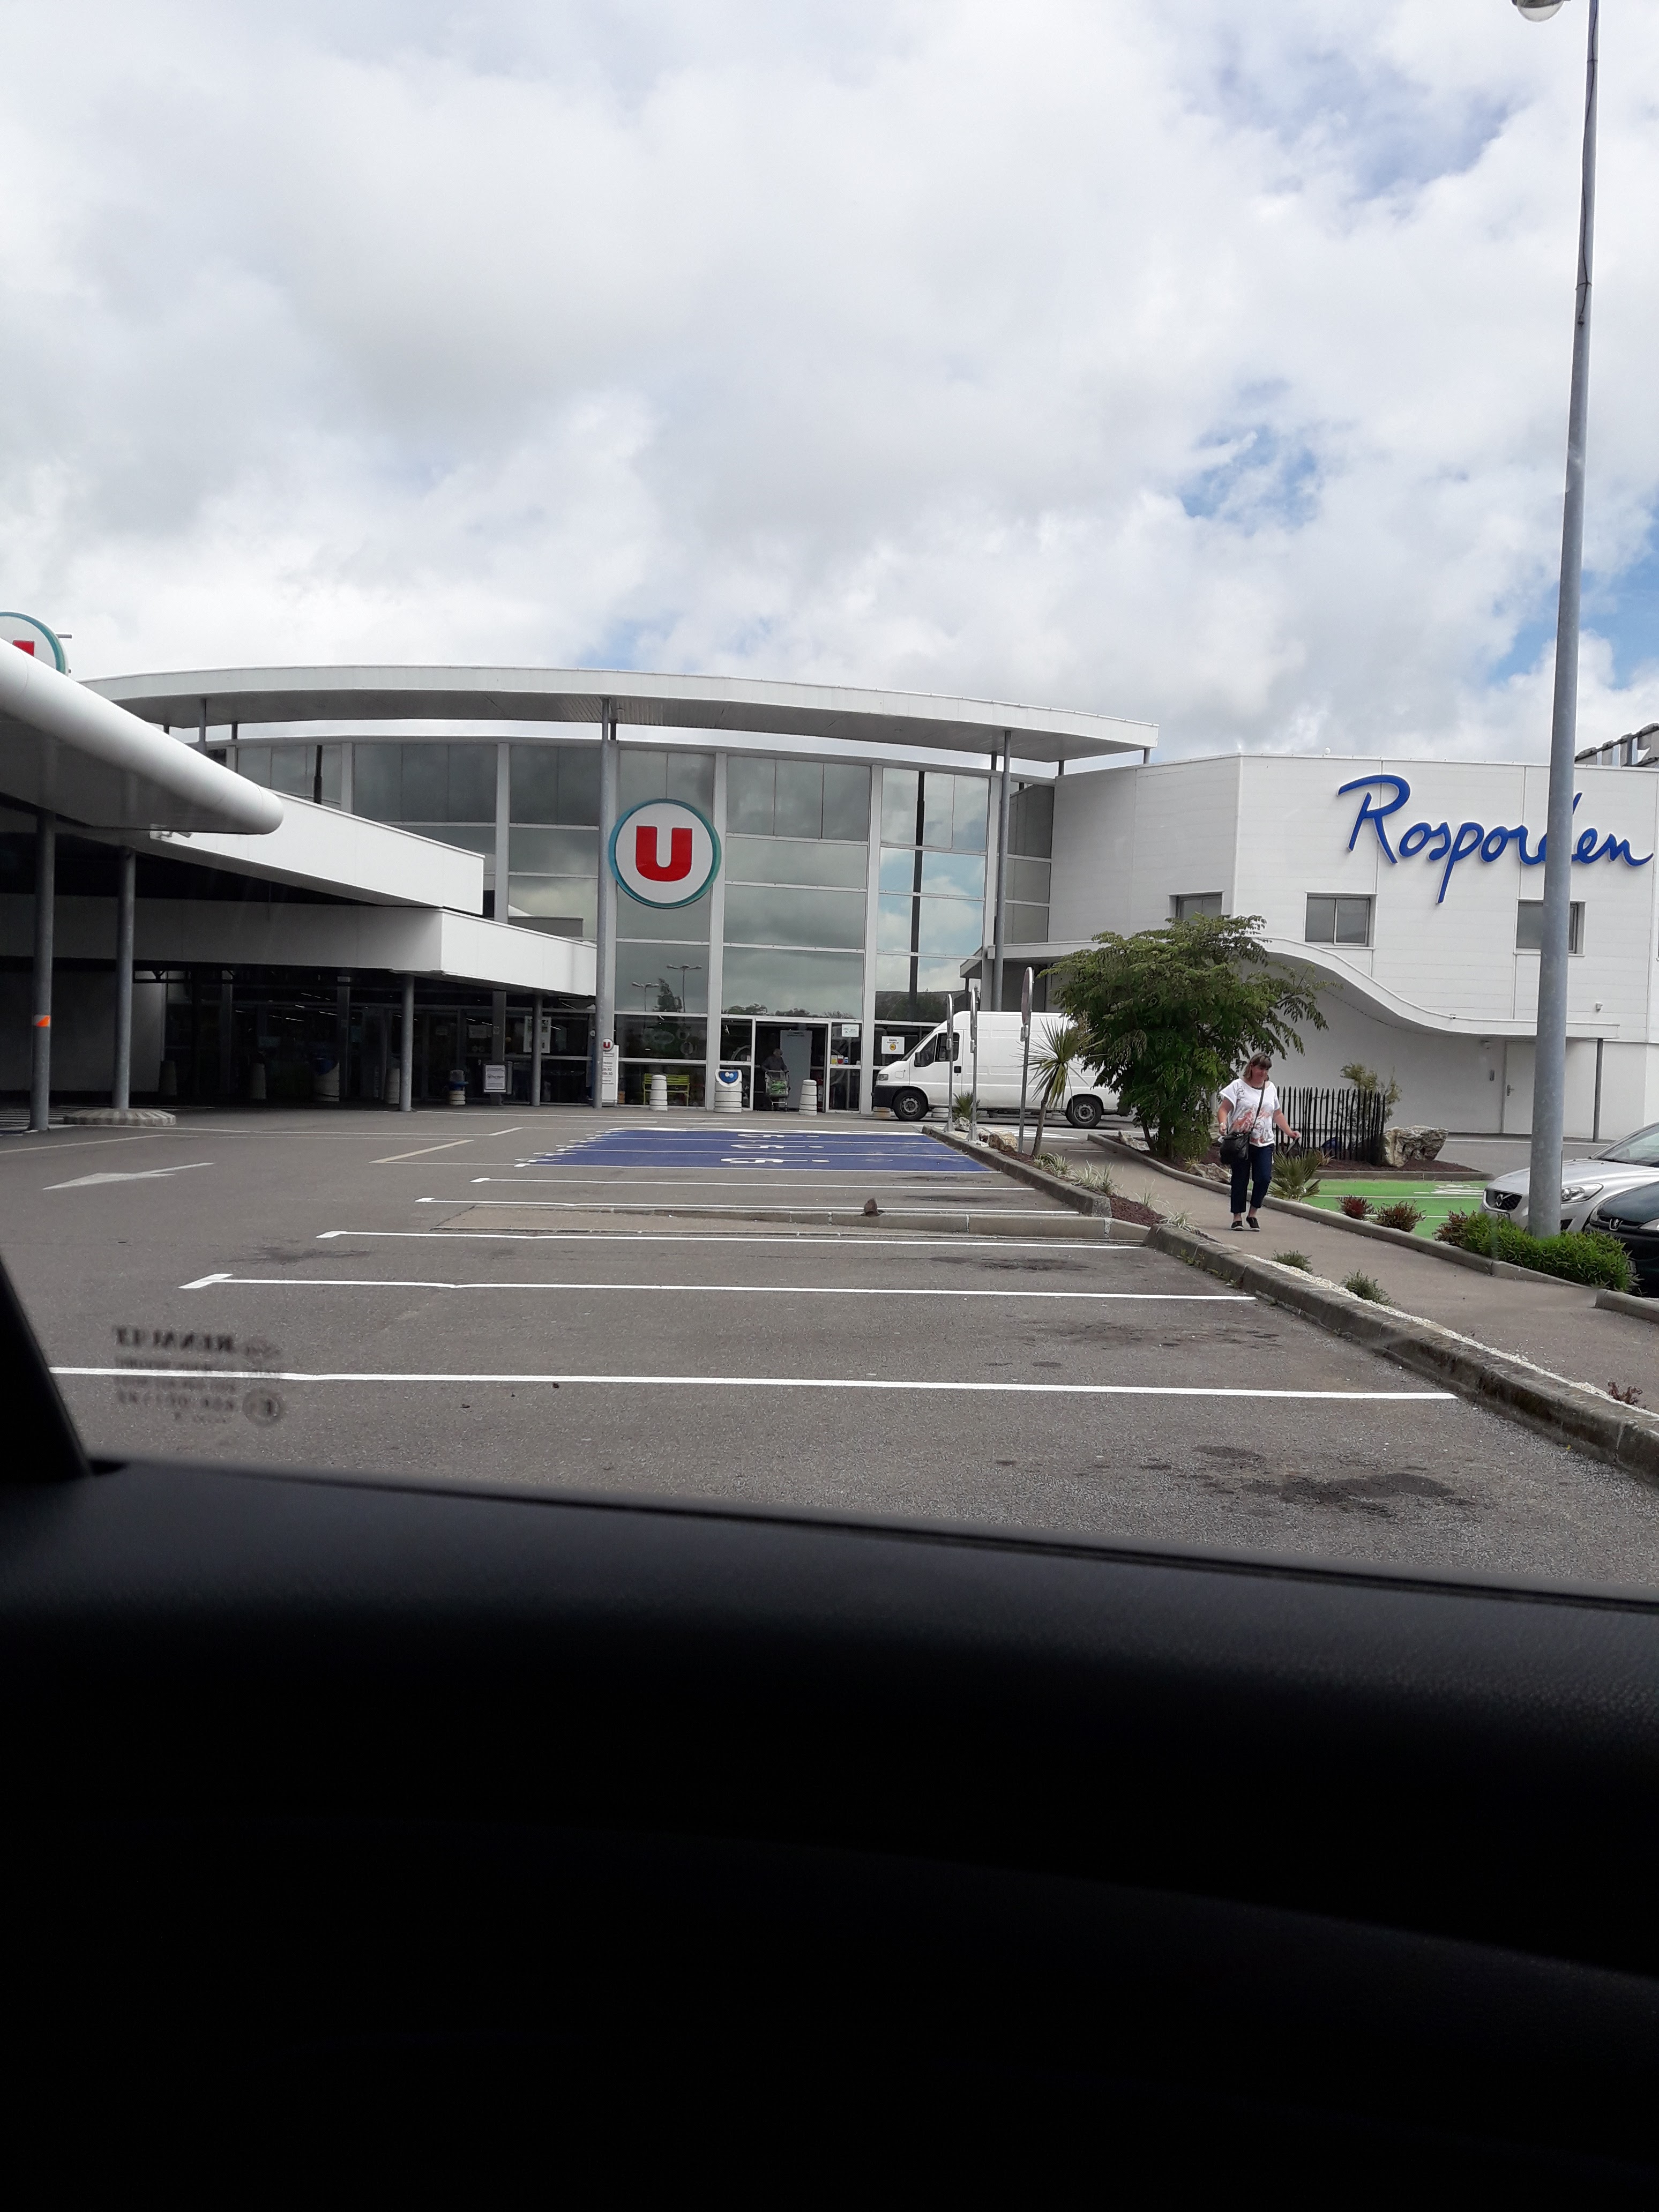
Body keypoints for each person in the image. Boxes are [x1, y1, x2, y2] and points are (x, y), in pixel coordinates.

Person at [1217, 1055, 1299, 1231]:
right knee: (1240, 1178)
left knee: (1264, 1178)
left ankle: (1253, 1213)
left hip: (1264, 1141)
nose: (1263, 1073)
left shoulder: (1271, 1089)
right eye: (1261, 1068)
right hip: (1241, 1140)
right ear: (1252, 1067)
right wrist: (1223, 1124)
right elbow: (1224, 1109)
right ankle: (1237, 1217)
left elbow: (1277, 1113)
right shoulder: (1238, 1086)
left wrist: (1289, 1132)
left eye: (1267, 1070)